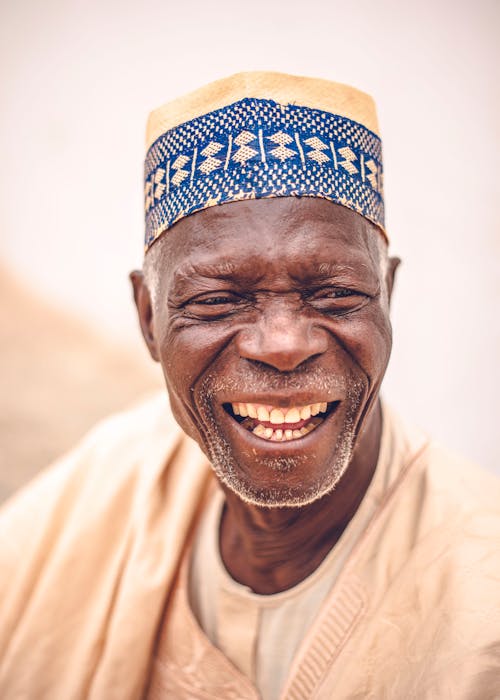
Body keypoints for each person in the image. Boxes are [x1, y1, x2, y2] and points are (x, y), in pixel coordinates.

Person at [0, 72, 499, 699]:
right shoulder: (111, 486)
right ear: (149, 318)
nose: (283, 344)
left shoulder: (485, 595)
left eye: (336, 293)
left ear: (387, 297)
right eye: (216, 301)